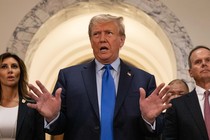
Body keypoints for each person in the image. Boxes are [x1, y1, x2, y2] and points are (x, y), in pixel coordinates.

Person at [27, 14, 172, 140]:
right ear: (91, 41)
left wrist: (148, 119)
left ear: (121, 40)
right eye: (96, 34)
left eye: (109, 33)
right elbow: (58, 128)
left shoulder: (143, 79)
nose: (102, 39)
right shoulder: (69, 77)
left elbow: (156, 130)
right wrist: (53, 117)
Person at [162, 45, 210, 140]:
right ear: (190, 72)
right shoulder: (177, 106)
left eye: (208, 60)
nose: (204, 64)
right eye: (198, 62)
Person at [0, 52, 45, 140]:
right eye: (4, 67)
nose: (10, 70)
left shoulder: (33, 106)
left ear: (20, 72)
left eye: (14, 66)